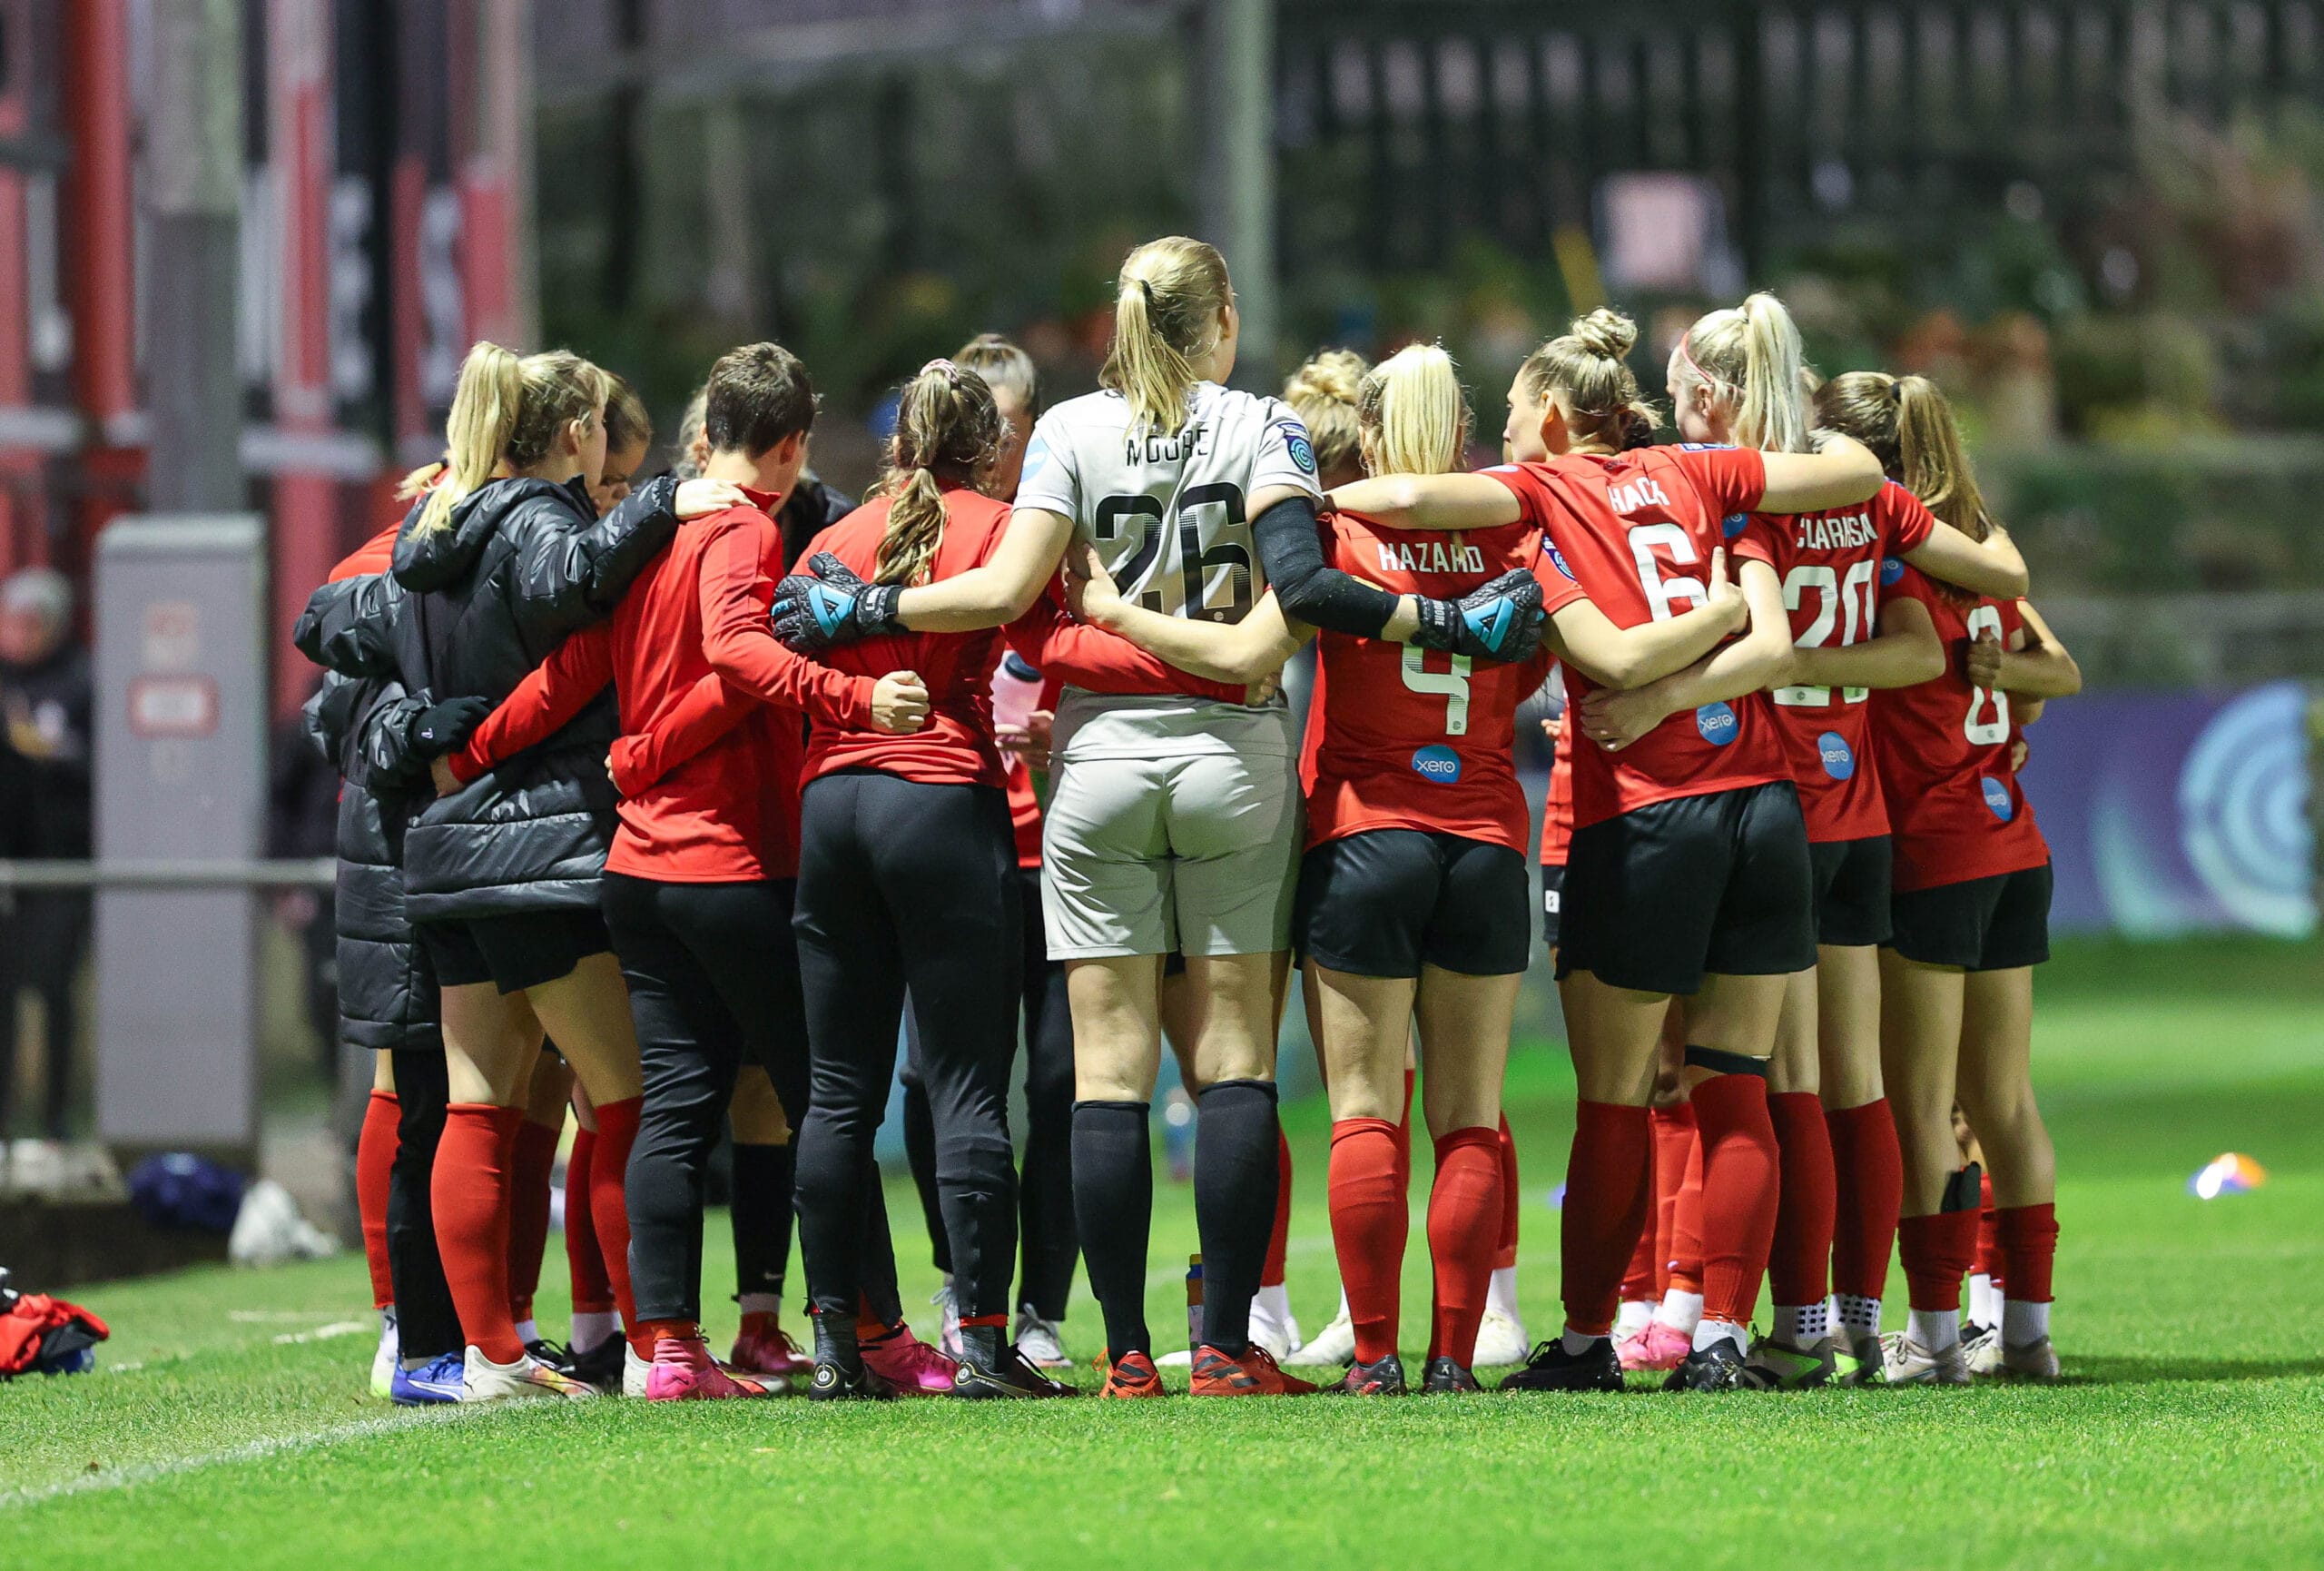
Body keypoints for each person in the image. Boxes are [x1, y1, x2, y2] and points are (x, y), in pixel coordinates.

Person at [773, 237, 1545, 1398]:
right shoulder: (1263, 426)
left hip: (1095, 762)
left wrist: (864, 605)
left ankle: (1127, 1353)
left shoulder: (1071, 433)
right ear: (1222, 316)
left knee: (1109, 1070)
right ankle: (1232, 1348)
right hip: (1231, 743)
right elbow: (1286, 603)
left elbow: (998, 595)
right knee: (1234, 1059)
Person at [1329, 304, 1889, 1392]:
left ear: (1546, 413)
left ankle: (1587, 1339)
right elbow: (1859, 476)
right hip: (1766, 804)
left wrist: (1293, 505)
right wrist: (1722, 612)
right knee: (1738, 1081)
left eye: (1506, 412)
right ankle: (1725, 1337)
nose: (1498, 431)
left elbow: (1404, 497)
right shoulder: (1698, 470)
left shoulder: (1541, 498)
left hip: (1649, 815)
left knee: (1618, 1095)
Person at [438, 341, 937, 1399]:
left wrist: (471, 756)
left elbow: (575, 669)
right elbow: (739, 659)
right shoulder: (750, 526)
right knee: (824, 1095)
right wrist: (852, 699)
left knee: (672, 1104)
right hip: (726, 858)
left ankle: (668, 1351)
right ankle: (881, 1331)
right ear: (793, 443)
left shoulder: (643, 528)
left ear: (708, 428)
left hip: (637, 868)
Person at [1598, 301, 2033, 1386]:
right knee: (1861, 1085)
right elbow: (1977, 599)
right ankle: (1878, 1320)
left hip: (1773, 801)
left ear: (1709, 391)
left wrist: (1678, 695)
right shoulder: (1858, 489)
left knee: (1768, 1077)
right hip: (1865, 814)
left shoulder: (1735, 493)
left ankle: (1786, 1321)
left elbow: (1742, 634)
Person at [372, 341, 742, 1400]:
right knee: (628, 1095)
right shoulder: (537, 516)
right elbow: (571, 579)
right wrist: (669, 497)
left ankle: (486, 1355)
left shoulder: (432, 523)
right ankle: (651, 1342)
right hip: (540, 842)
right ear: (575, 432)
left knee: (478, 1100)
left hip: (448, 847)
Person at [1284, 343, 1553, 1394]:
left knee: (1363, 1108)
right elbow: (1532, 666)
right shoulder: (1513, 525)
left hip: (1362, 829)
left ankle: (1371, 1354)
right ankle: (1453, 1353)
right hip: (1484, 833)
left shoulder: (1332, 522)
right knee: (1470, 1113)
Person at [1815, 370, 2079, 1384]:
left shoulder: (1888, 554)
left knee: (1919, 1104)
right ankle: (2026, 1333)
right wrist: (2002, 681)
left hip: (1929, 851)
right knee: (2002, 1100)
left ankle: (1931, 1342)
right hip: (2013, 844)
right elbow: (2054, 665)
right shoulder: (1978, 549)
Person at [900, 332, 1082, 1368]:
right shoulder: (925, 533)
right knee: (933, 1082)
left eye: (1017, 425)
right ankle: (959, 1276)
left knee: (1058, 1080)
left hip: (1054, 858)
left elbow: (1096, 644)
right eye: (993, 426)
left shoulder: (1063, 535)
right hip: (957, 841)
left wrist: (1077, 719)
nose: (1005, 443)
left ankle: (1042, 1307)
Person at [296, 519, 473, 1407]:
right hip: (415, 859)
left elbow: (324, 709)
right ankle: (435, 1330)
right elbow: (359, 720)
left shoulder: (377, 563)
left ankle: (440, 1328)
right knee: (436, 1101)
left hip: (399, 858)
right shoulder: (425, 565)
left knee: (422, 1097)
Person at [0, 568, 93, 1146]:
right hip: (7, 863)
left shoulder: (83, 680)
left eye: (31, 623)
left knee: (53, 989)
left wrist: (56, 753)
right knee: (3, 995)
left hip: (62, 864)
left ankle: (56, 1118)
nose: (19, 634)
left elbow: (106, 769)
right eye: (13, 621)